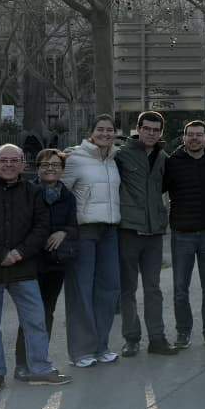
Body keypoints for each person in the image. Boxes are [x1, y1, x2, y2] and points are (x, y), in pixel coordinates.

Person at [0, 144, 72, 392]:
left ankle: (40, 368)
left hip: (23, 267)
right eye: (4, 160)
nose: (9, 164)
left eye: (15, 160)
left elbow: (41, 227)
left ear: (23, 165)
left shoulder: (33, 193)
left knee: (35, 320)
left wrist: (19, 252)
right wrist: (0, 254)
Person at [61, 114, 123, 368]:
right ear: (91, 132)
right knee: (81, 292)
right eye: (101, 129)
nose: (106, 134)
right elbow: (61, 194)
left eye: (110, 130)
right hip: (83, 231)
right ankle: (81, 351)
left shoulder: (113, 159)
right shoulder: (75, 158)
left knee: (108, 291)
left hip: (109, 231)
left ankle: (101, 346)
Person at [114, 111, 175, 357]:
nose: (151, 133)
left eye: (156, 129)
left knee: (153, 288)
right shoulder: (121, 155)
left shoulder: (163, 157)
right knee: (127, 289)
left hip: (154, 232)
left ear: (161, 132)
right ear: (138, 128)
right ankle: (131, 338)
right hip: (128, 229)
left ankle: (157, 338)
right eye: (147, 128)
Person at [14, 148, 76, 381]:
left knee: (46, 313)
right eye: (45, 165)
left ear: (62, 170)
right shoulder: (28, 192)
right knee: (30, 314)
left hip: (55, 263)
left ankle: (39, 361)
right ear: (37, 168)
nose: (50, 169)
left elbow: (73, 224)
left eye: (55, 165)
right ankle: (22, 364)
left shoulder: (67, 195)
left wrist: (63, 232)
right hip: (31, 261)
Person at [163, 120, 205, 350]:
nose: (195, 138)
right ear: (184, 137)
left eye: (199, 134)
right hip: (181, 233)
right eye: (190, 134)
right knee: (180, 288)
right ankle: (183, 332)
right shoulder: (172, 162)